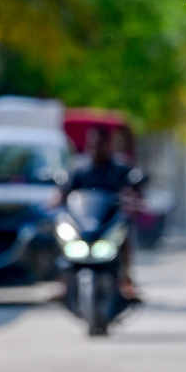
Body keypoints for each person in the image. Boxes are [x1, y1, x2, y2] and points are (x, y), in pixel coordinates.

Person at [66, 126, 144, 301]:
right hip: (83, 223)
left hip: (109, 223)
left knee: (125, 234)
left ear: (108, 145)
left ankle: (125, 280)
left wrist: (134, 198)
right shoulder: (79, 168)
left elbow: (135, 189)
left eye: (100, 144)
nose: (96, 148)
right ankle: (63, 283)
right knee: (62, 235)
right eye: (92, 144)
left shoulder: (120, 168)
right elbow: (64, 192)